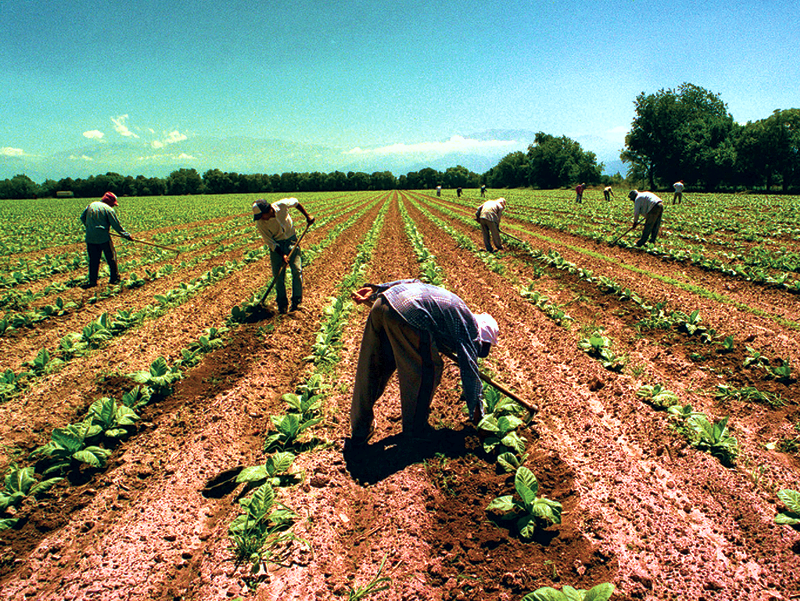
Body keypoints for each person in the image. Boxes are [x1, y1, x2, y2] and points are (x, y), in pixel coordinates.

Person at [349, 279, 499, 445]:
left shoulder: (454, 308)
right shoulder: (469, 327)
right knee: (428, 370)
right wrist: (479, 417)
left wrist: (377, 291)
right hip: (409, 314)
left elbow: (414, 282)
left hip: (382, 303)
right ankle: (416, 429)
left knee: (373, 368)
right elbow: (470, 372)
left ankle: (360, 429)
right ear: (481, 336)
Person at [252, 197, 315, 313]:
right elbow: (270, 242)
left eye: (261, 215)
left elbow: (296, 202)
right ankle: (282, 305)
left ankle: (296, 303)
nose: (260, 218)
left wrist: (307, 216)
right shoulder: (261, 223)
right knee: (278, 276)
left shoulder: (282, 205)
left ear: (268, 210)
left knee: (297, 270)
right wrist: (282, 254)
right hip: (277, 246)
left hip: (292, 241)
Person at [79, 192, 132, 288]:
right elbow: (116, 225)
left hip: (90, 237)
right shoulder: (108, 209)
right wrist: (127, 235)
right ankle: (114, 279)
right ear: (110, 202)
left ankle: (92, 281)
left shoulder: (91, 205)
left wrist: (90, 227)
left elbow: (82, 218)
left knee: (93, 260)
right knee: (111, 258)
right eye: (113, 204)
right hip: (103, 237)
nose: (114, 206)